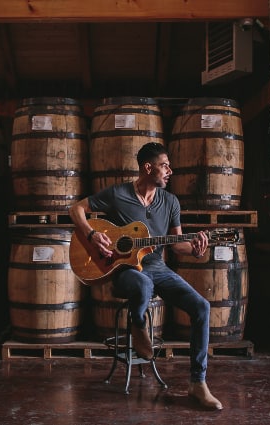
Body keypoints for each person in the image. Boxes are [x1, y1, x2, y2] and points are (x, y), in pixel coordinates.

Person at [69, 142, 223, 410]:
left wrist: (197, 249)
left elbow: (177, 244)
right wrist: (92, 235)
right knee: (142, 283)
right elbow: (76, 209)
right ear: (147, 168)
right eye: (165, 166)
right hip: (124, 270)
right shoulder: (118, 194)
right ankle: (138, 323)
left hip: (158, 268)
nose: (170, 171)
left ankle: (198, 383)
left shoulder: (170, 201)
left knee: (202, 306)